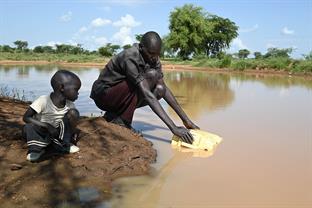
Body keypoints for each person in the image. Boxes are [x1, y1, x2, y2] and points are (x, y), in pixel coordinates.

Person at [90, 31, 199, 144]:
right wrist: (173, 128)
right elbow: (147, 94)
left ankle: (118, 117)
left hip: (120, 96)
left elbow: (163, 88)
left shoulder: (154, 58)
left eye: (157, 54)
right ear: (142, 48)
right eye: (151, 54)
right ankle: (124, 121)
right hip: (104, 96)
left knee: (160, 90)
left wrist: (186, 120)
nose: (154, 58)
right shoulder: (130, 57)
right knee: (149, 77)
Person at [23, 70, 81, 162]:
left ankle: (65, 143)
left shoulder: (70, 105)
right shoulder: (43, 100)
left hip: (57, 133)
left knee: (74, 113)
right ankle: (36, 150)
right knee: (29, 126)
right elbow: (26, 117)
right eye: (76, 89)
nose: (78, 93)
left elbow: (70, 122)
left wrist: (70, 133)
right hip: (41, 132)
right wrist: (46, 125)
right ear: (62, 87)